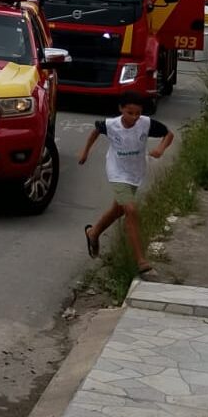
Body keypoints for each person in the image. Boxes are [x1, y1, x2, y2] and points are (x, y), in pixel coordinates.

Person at [79, 92, 174, 279]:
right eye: (130, 113)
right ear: (121, 109)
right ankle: (142, 262)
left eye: (138, 113)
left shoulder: (145, 123)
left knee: (118, 210)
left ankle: (93, 233)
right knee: (130, 210)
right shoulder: (111, 125)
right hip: (117, 172)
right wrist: (85, 152)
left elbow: (168, 134)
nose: (134, 117)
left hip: (135, 172)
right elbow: (95, 131)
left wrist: (160, 149)